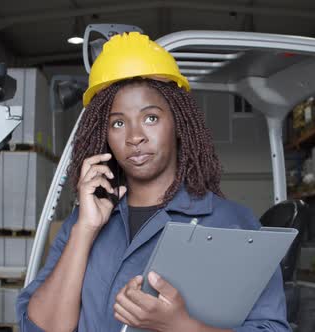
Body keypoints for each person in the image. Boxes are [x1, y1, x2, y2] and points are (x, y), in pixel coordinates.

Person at [17, 32, 289, 332]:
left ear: (179, 124)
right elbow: (39, 327)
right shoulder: (82, 224)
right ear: (104, 135)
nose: (135, 137)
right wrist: (85, 230)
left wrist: (180, 326)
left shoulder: (232, 223)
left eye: (150, 118)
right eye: (118, 123)